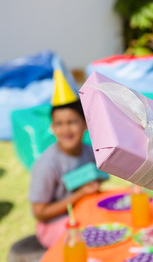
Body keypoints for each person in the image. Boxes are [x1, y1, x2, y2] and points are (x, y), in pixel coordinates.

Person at [28, 70, 101, 248]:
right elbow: (39, 212)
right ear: (52, 127)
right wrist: (80, 195)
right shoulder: (47, 164)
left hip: (83, 215)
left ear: (85, 124)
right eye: (59, 124)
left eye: (72, 122)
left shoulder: (89, 152)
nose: (65, 129)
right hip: (56, 225)